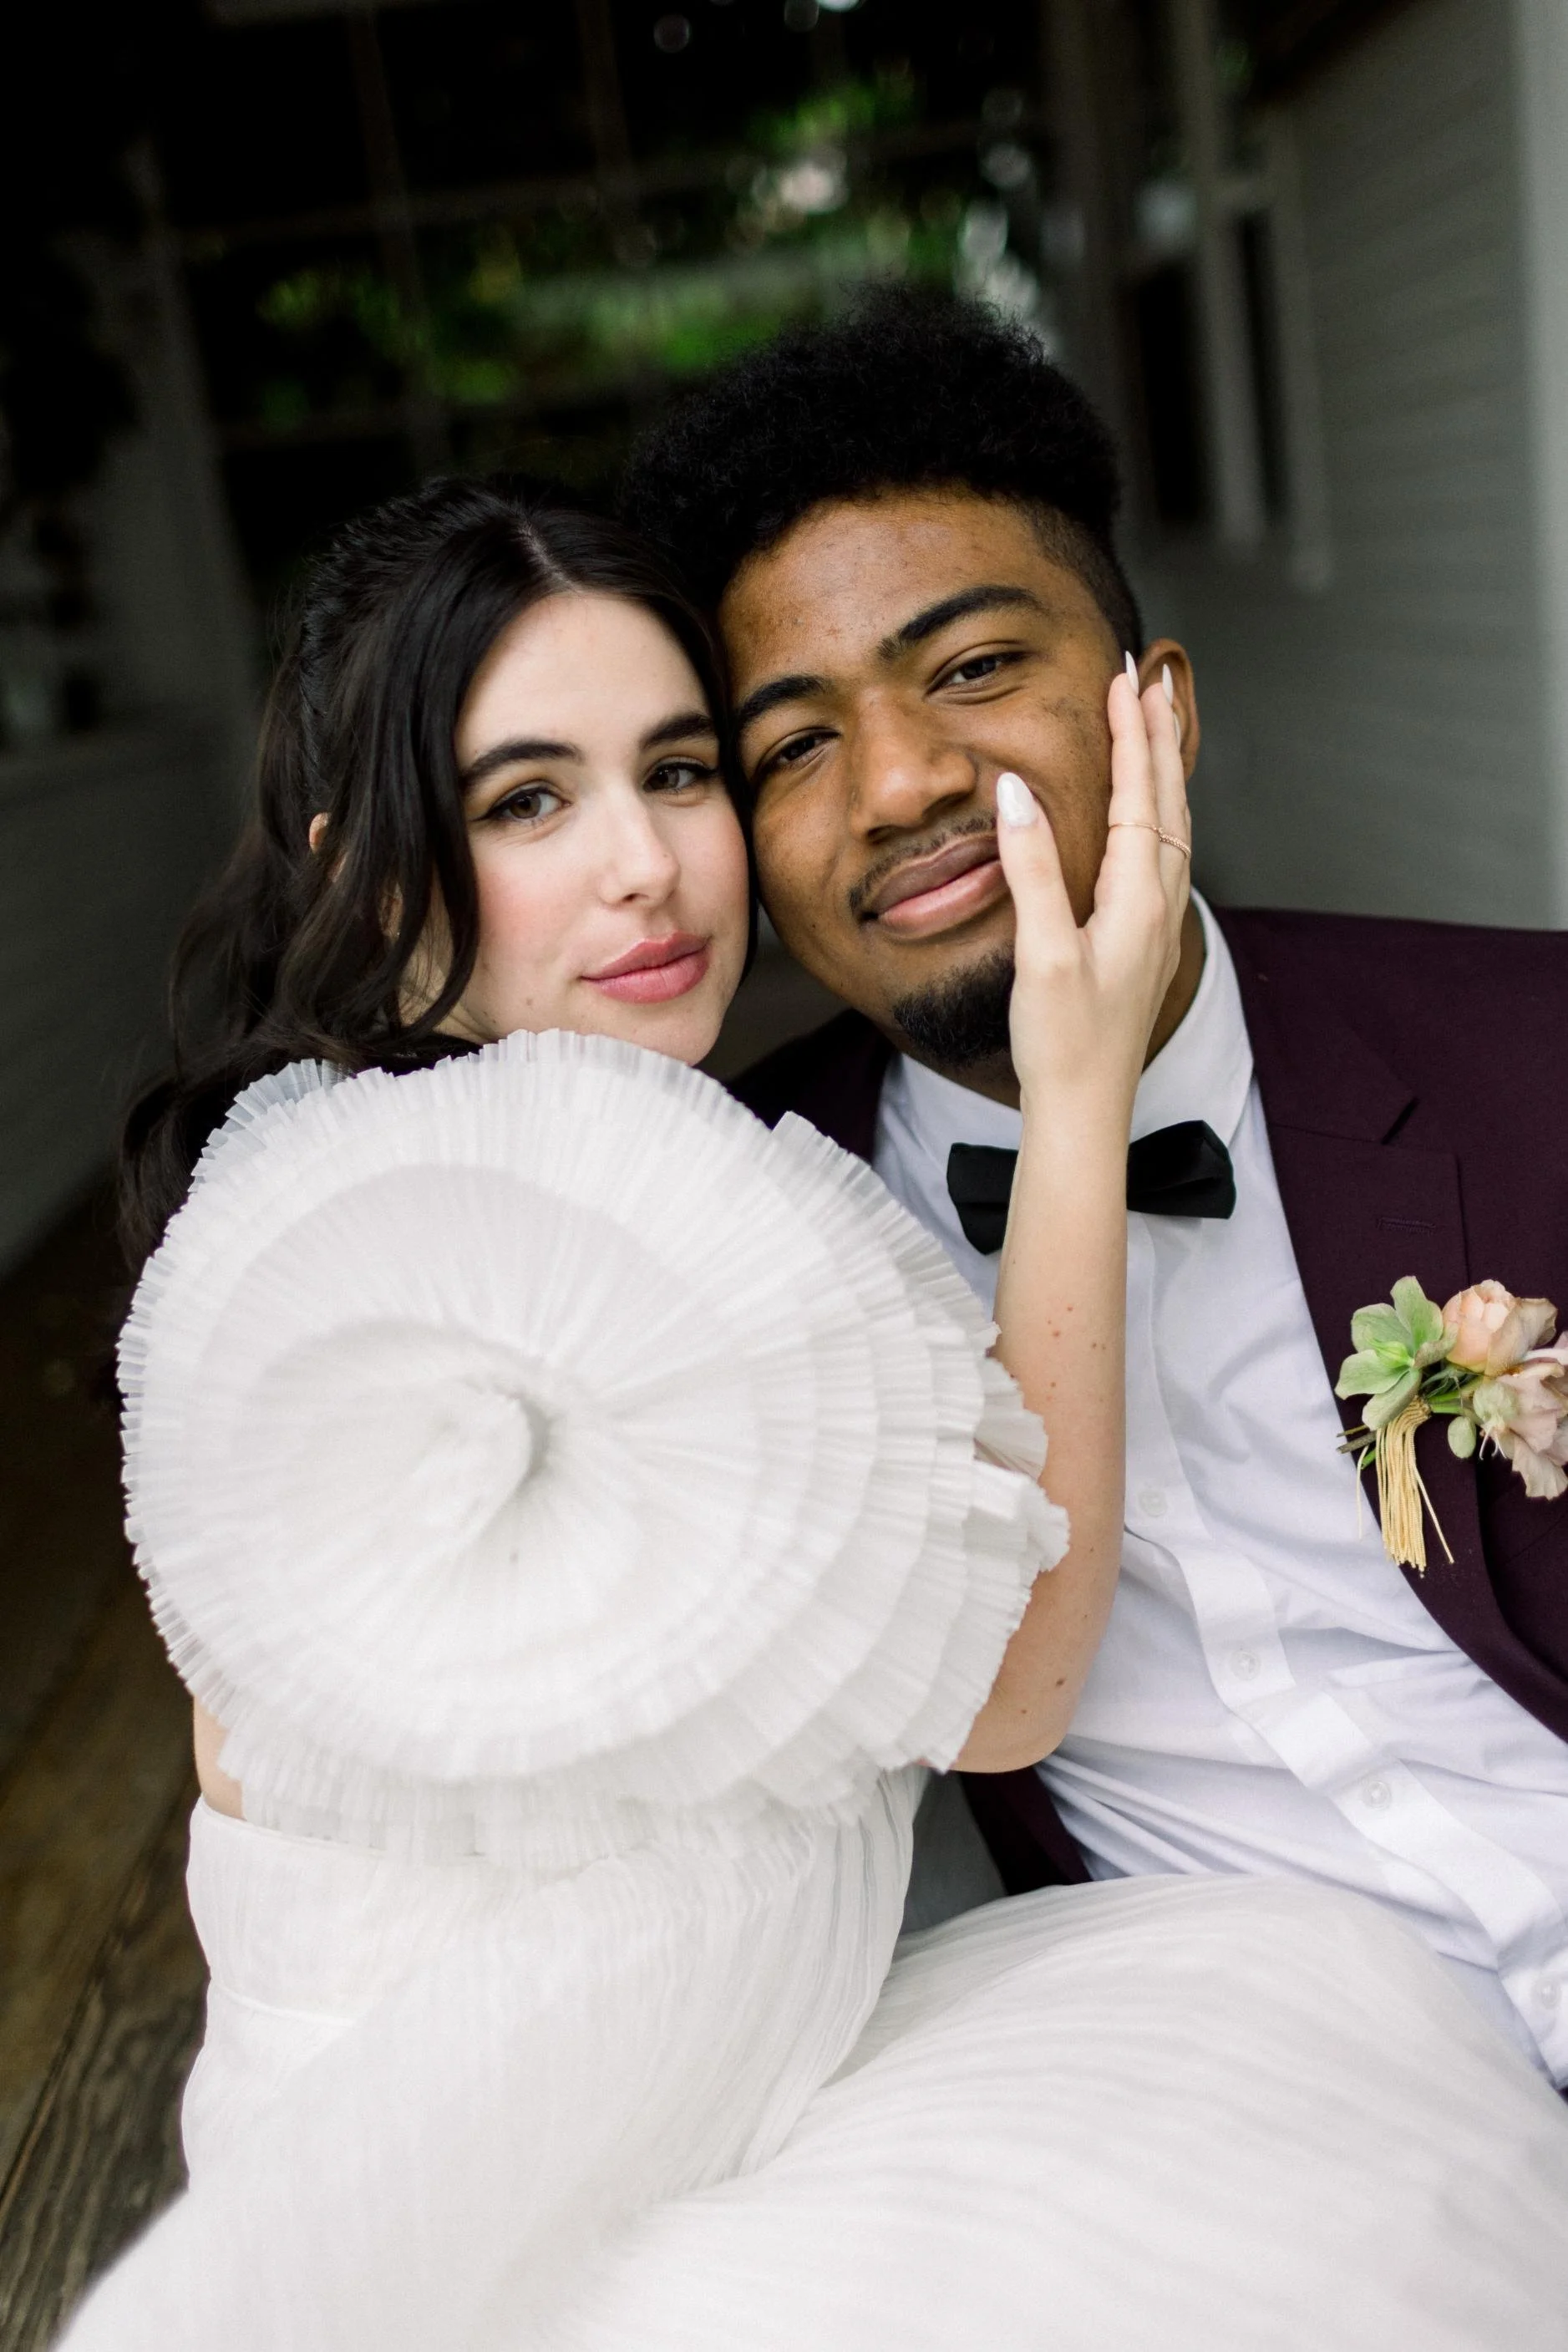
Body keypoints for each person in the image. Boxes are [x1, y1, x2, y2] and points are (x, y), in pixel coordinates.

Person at [62, 480, 1568, 2352]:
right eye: (527, 801)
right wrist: (1073, 1095)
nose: (642, 865)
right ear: (370, 874)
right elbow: (1007, 1687)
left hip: (721, 2051)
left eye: (676, 771)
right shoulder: (446, 1244)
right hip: (501, 2161)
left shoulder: (619, 1162)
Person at [622, 282, 1568, 2092]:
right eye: (792, 745)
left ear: (1159, 711)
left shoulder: (1529, 1051)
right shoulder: (726, 1232)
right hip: (1276, 2116)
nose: (899, 782)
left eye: (973, 668)